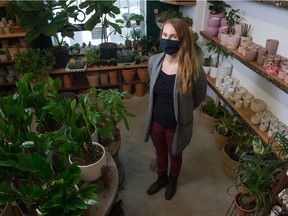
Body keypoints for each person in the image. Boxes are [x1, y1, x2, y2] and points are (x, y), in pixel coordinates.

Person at [143, 18, 207, 200]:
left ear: (182, 40)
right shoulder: (154, 62)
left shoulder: (193, 68)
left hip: (176, 125)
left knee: (175, 154)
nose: (167, 40)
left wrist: (184, 110)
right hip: (156, 122)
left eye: (173, 36)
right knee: (160, 153)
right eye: (164, 35)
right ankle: (161, 177)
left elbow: (199, 96)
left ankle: (173, 180)